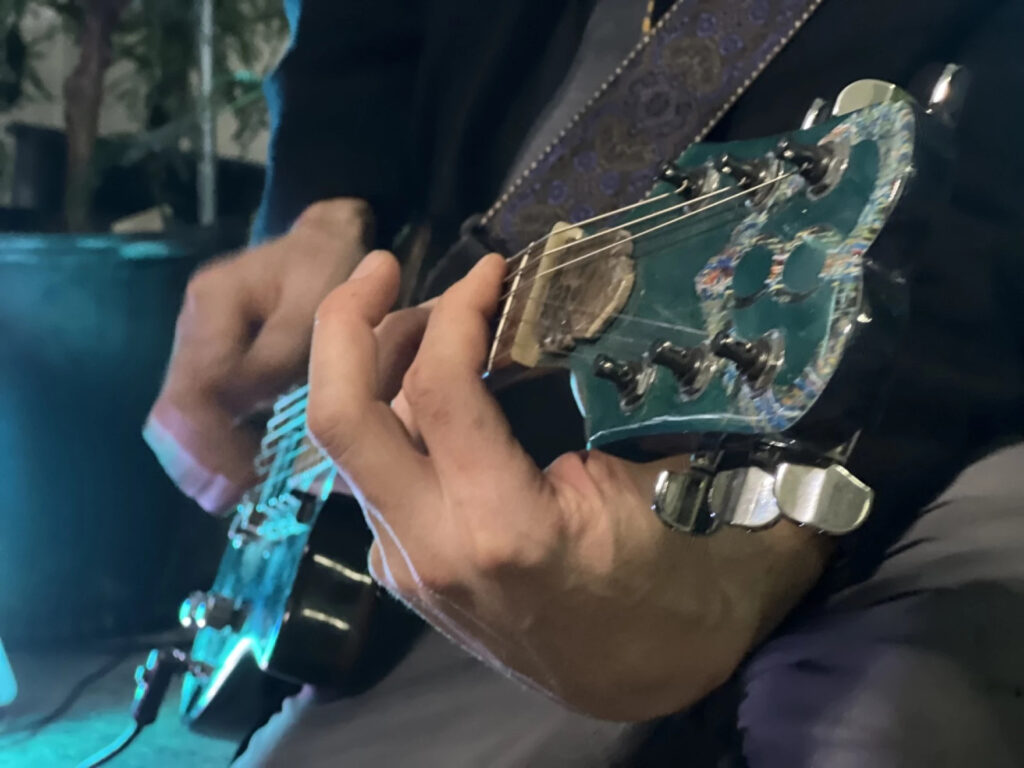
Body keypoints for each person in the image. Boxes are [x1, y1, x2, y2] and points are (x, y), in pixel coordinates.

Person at [146, 0, 1024, 764]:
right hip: (507, 404)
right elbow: (368, 26)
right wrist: (328, 200)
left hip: (941, 384)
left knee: (895, 728)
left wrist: (750, 564)